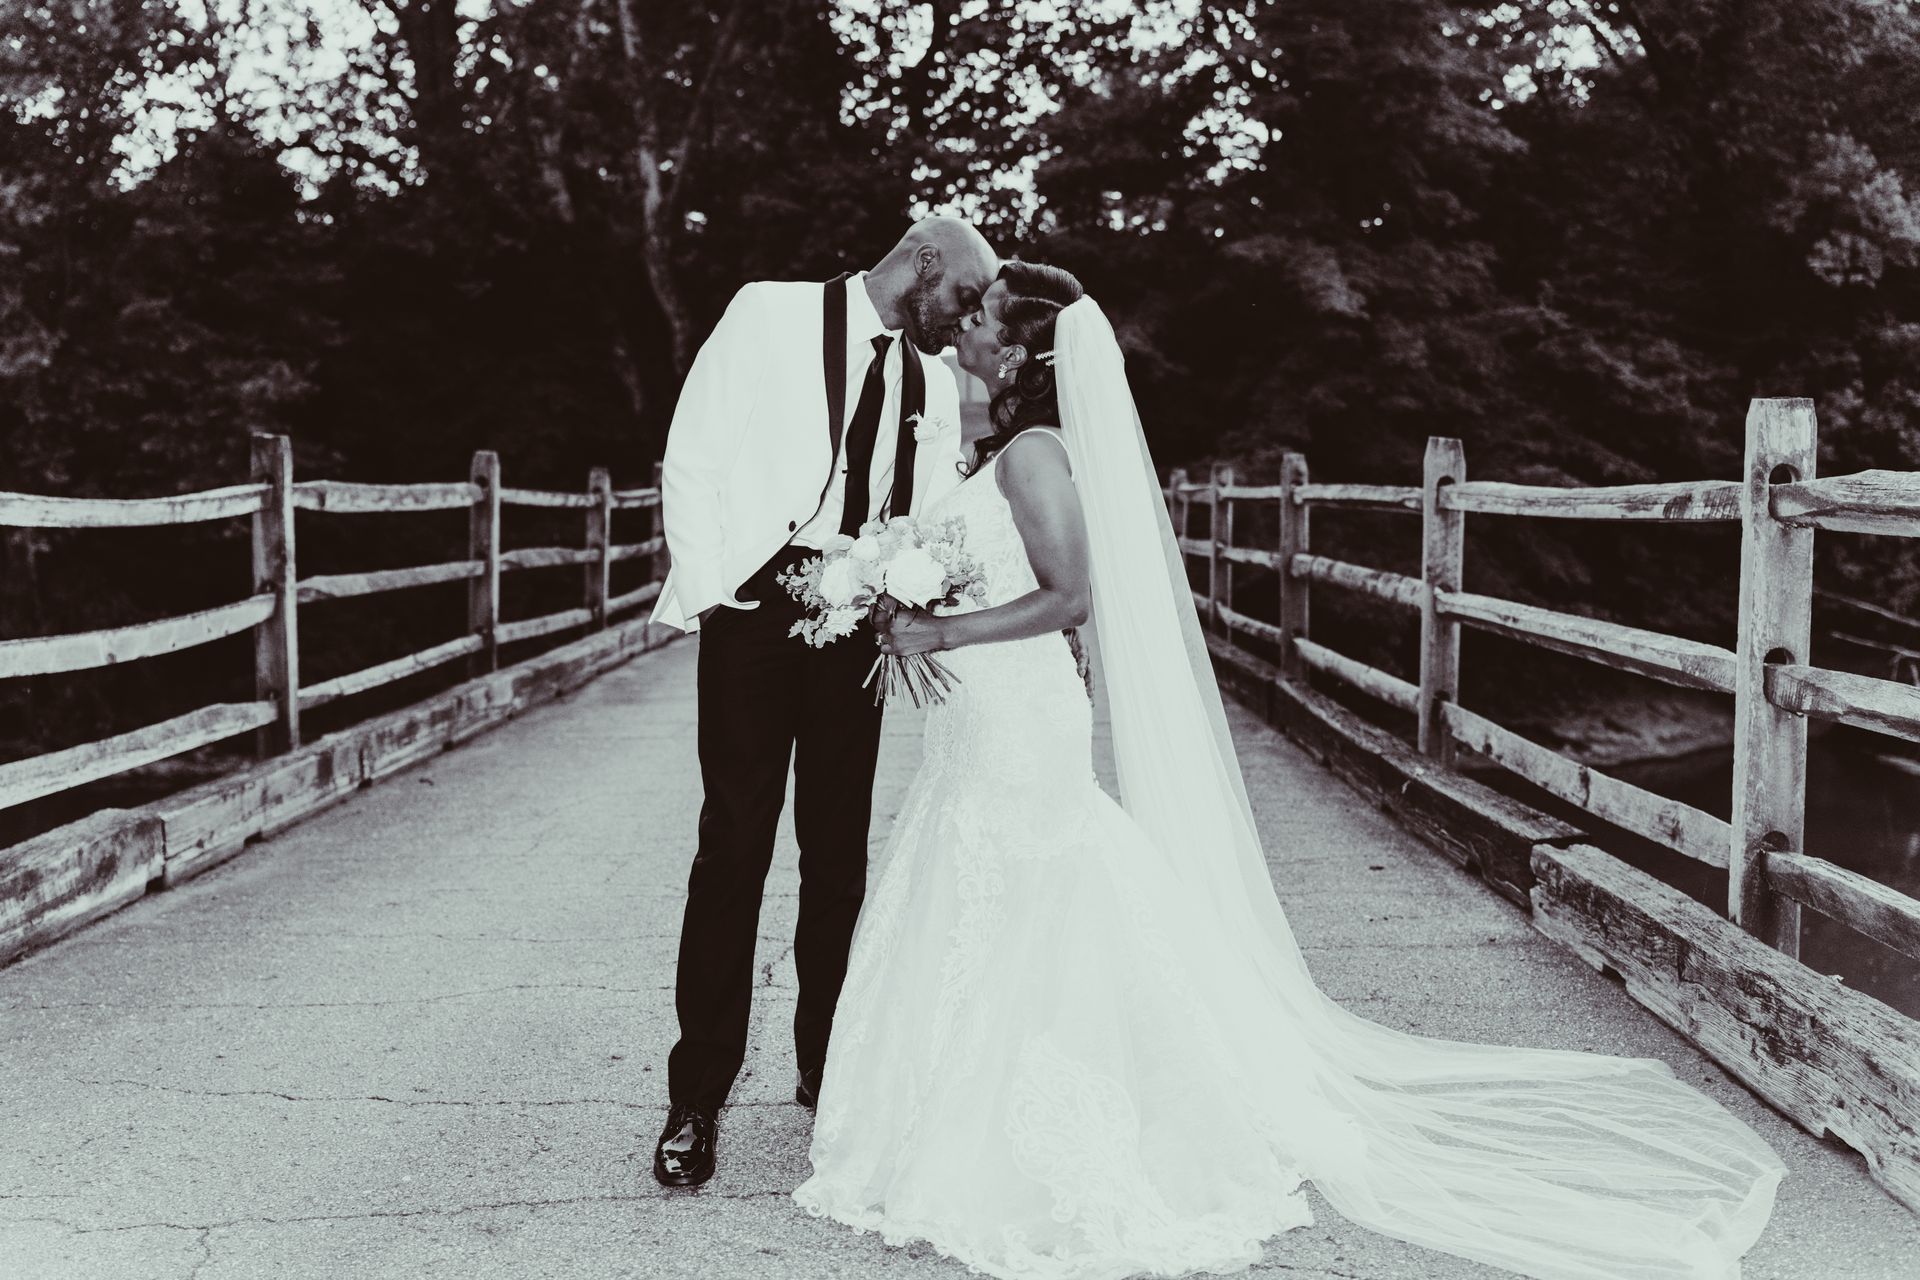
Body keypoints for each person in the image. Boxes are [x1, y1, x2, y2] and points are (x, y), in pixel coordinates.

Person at [789, 260, 1787, 1280]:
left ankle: (1028, 1111)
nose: (964, 333)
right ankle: (955, 1094)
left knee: (1031, 883)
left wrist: (935, 631)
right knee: (986, 883)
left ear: (1029, 353)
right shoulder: (1012, 451)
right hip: (985, 715)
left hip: (1014, 711)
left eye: (983, 324)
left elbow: (1070, 598)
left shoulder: (1037, 453)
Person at [649, 217, 999, 1187]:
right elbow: (695, 450)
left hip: (860, 619)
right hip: (755, 607)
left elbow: (930, 508)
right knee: (734, 844)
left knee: (837, 854)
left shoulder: (934, 382)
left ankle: (828, 1076)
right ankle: (696, 1094)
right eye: (964, 297)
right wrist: (718, 585)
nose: (966, 321)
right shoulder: (768, 313)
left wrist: (909, 594)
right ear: (924, 261)